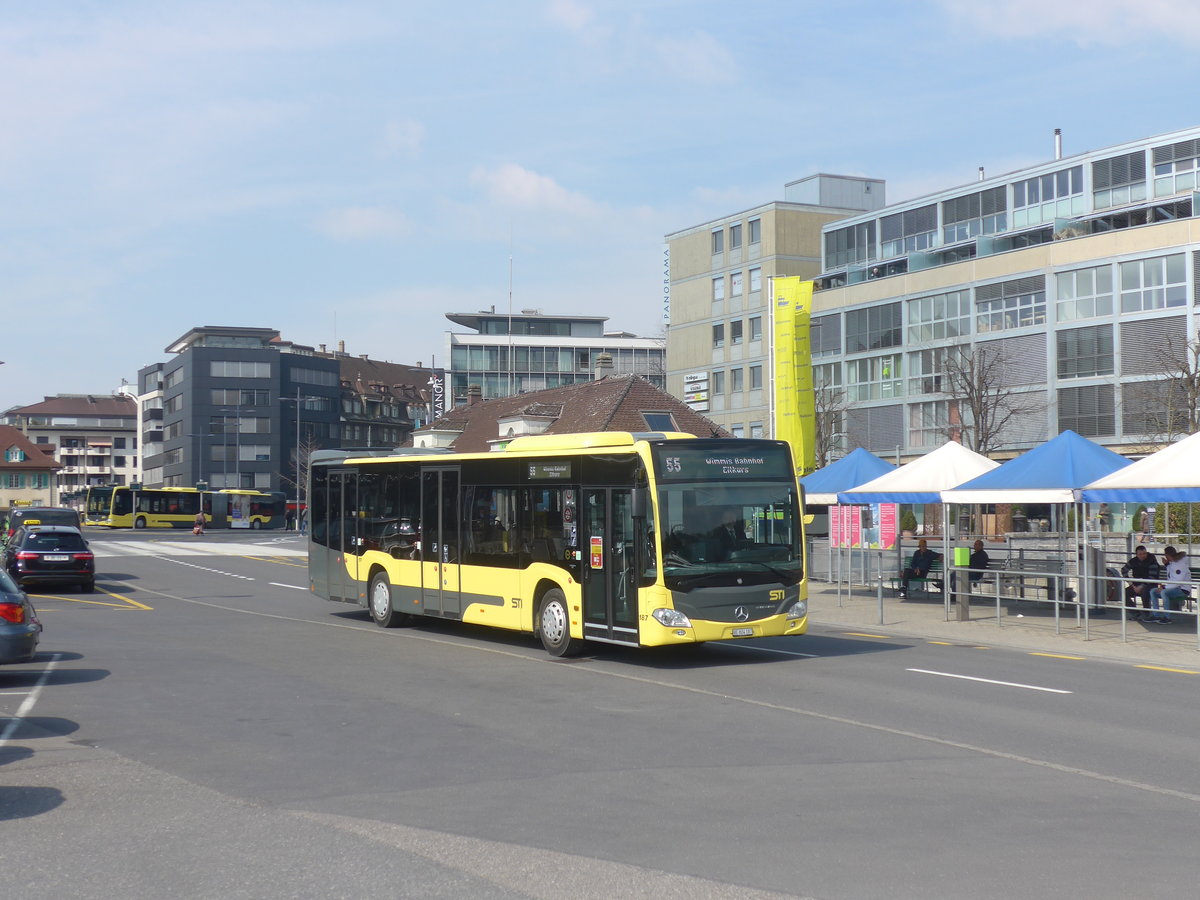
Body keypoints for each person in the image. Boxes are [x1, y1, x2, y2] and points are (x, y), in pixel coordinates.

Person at [1148, 546, 1190, 624]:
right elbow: (1171, 576)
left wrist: (1164, 587)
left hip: (1183, 589)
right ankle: (1156, 615)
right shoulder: (1173, 563)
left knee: (1164, 592)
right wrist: (1167, 565)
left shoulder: (1180, 565)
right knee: (1153, 591)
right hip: (1174, 588)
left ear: (1168, 555)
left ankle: (1167, 617)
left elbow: (1177, 581)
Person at [1120, 545, 1160, 621]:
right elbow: (1124, 570)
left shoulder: (1152, 561)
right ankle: (1134, 612)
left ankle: (1147, 613)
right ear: (1137, 554)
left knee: (1145, 592)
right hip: (1136, 584)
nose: (1143, 556)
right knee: (1124, 593)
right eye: (1140, 554)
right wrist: (1130, 583)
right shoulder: (1133, 561)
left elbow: (1152, 577)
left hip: (1150, 584)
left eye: (1144, 553)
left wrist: (1141, 586)